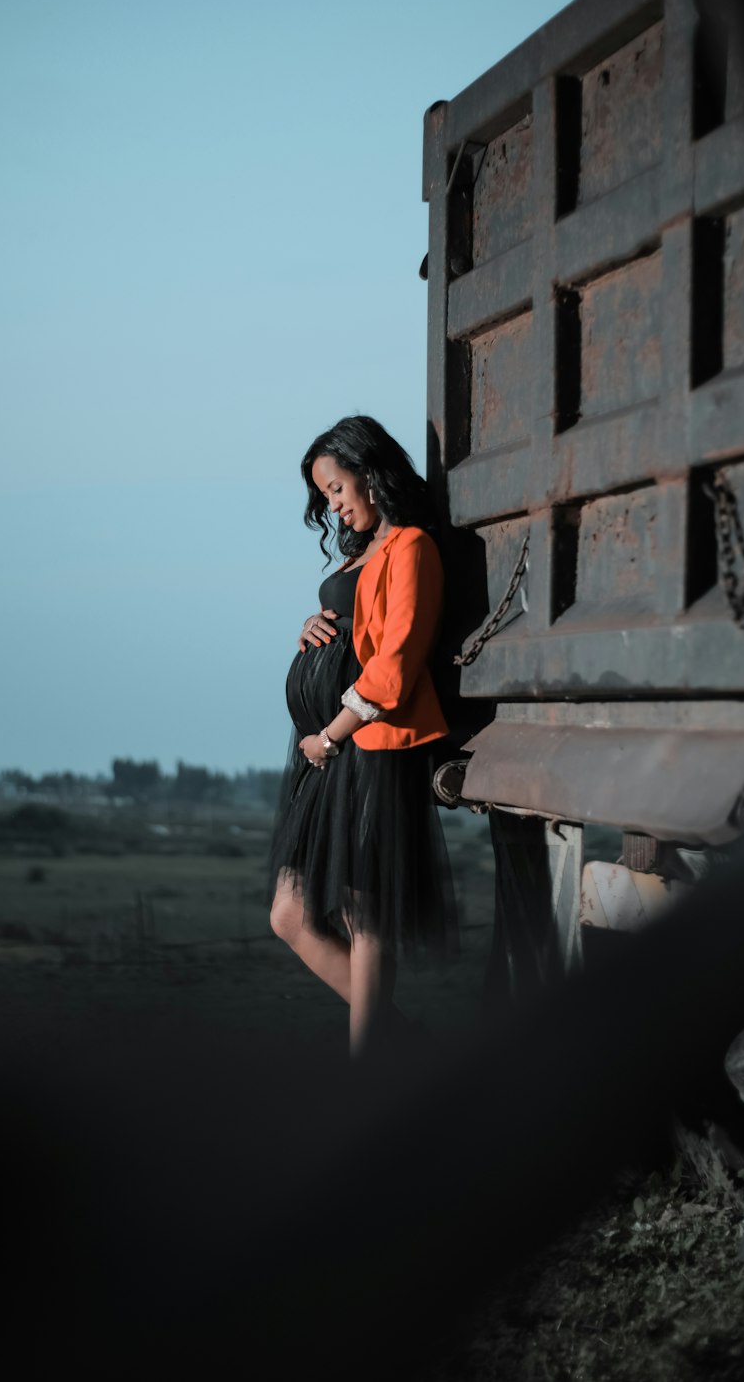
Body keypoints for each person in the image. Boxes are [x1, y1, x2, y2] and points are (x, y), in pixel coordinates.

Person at [268, 414, 458, 1056]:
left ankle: (368, 1072)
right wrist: (312, 629)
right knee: (289, 915)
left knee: (365, 918)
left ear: (371, 474)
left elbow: (397, 663)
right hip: (323, 753)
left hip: (363, 745)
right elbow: (353, 628)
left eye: (338, 489)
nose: (334, 505)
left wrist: (332, 733)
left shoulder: (412, 547)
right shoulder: (364, 550)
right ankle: (400, 1042)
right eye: (325, 496)